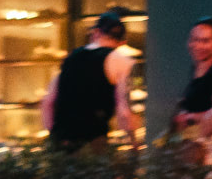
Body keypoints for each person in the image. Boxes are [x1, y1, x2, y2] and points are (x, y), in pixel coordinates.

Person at [41, 9, 139, 148]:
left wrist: (53, 136)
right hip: (93, 139)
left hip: (61, 139)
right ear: (122, 41)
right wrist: (133, 142)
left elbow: (48, 102)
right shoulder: (122, 61)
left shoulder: (71, 58)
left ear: (96, 33)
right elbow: (123, 109)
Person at [173, 18, 212, 131]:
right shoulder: (196, 68)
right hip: (193, 142)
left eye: (205, 41)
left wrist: (190, 117)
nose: (197, 46)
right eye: (194, 40)